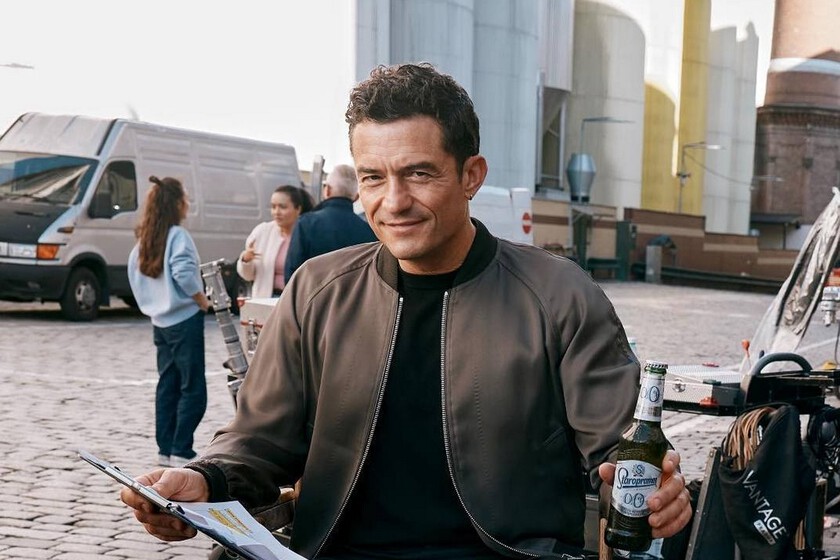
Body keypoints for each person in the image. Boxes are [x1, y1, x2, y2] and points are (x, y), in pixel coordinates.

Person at [121, 64, 692, 558]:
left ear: (471, 176)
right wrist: (204, 479)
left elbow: (624, 447)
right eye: (373, 177)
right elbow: (258, 438)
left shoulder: (559, 294)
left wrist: (658, 493)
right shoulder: (316, 290)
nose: (393, 202)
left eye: (418, 173)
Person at [127, 176, 211, 469]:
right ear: (176, 203)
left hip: (160, 322)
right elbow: (184, 272)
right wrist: (201, 299)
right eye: (185, 197)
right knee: (193, 387)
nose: (187, 202)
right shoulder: (177, 236)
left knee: (168, 384)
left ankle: (165, 448)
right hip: (183, 319)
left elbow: (135, 275)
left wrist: (152, 303)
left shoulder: (145, 240)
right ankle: (181, 448)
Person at [283, 163, 376, 282]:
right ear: (356, 197)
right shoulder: (369, 230)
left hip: (312, 293)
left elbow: (293, 273)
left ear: (327, 190)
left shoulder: (306, 223)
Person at [237, 185, 314, 298]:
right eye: (273, 207)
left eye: (282, 207)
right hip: (265, 299)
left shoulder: (307, 235)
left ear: (298, 209)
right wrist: (246, 260)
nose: (276, 212)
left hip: (295, 299)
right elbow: (248, 276)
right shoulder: (262, 232)